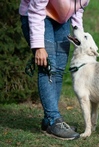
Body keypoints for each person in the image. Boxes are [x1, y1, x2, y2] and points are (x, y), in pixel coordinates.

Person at [19, 0, 90, 140]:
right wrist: (39, 46)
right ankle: (53, 120)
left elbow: (78, 9)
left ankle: (49, 121)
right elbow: (36, 10)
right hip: (37, 16)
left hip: (62, 19)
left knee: (58, 70)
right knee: (48, 68)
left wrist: (79, 34)